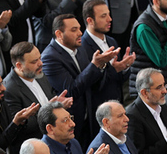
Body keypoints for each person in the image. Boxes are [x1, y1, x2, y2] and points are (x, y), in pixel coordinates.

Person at [42, 14, 118, 146]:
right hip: (70, 123)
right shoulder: (50, 57)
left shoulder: (80, 49)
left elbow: (91, 82)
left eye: (79, 29)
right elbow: (71, 91)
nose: (80, 33)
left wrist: (104, 66)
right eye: (73, 30)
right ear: (59, 34)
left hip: (88, 119)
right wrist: (95, 65)